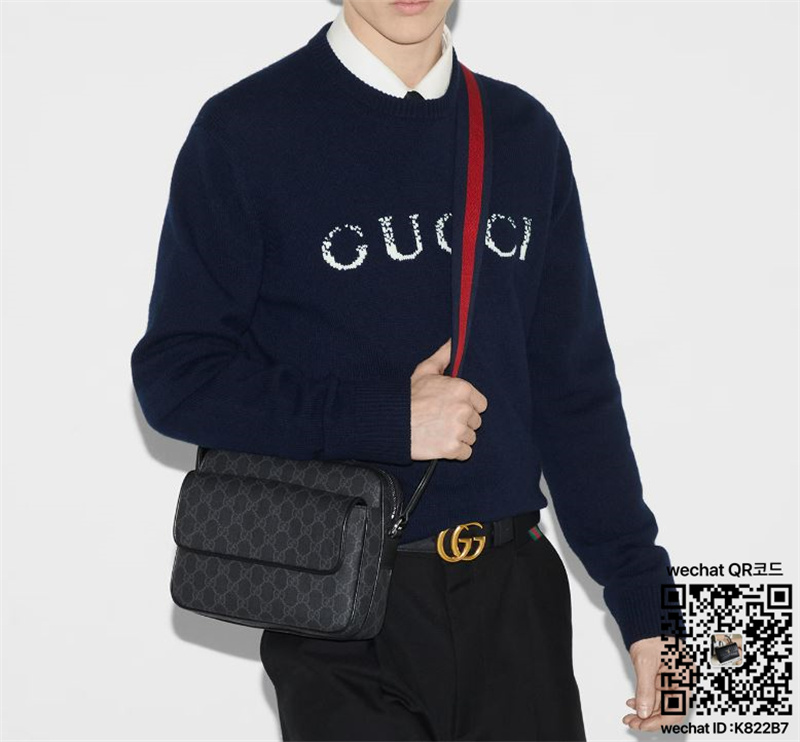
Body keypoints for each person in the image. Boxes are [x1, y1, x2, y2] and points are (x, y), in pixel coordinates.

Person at [130, 0, 691, 739]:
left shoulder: (523, 132)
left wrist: (653, 611)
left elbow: (574, 389)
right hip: (339, 607)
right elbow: (175, 377)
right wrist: (387, 419)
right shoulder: (246, 130)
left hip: (515, 597)